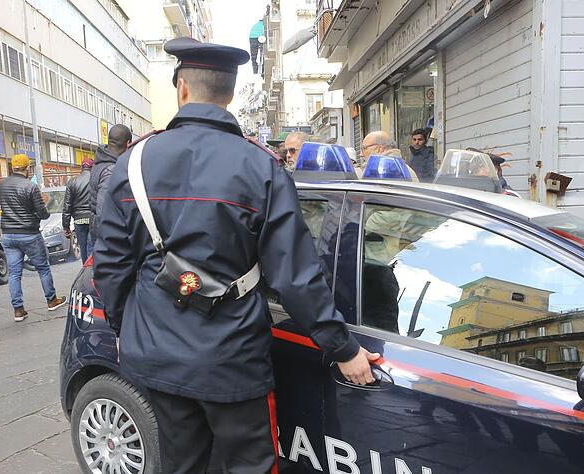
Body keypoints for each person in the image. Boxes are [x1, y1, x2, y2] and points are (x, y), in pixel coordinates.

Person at [93, 37, 378, 474]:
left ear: (181, 88)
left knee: (180, 465)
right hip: (232, 359)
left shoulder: (131, 165)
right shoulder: (261, 167)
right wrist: (342, 347)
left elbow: (111, 270)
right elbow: (295, 277)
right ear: (228, 94)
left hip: (156, 354)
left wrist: (126, 329)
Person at [0, 154, 67, 322]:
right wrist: (45, 209)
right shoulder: (31, 186)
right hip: (29, 234)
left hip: (8, 234)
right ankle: (51, 300)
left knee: (14, 273)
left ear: (13, 167)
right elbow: (42, 214)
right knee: (43, 268)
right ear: (27, 168)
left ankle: (19, 310)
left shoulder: (1, 185)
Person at [90, 124, 132, 243]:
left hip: (97, 231)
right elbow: (103, 210)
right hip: (108, 237)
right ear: (128, 143)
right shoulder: (111, 169)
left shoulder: (100, 162)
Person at [63, 158, 93, 264]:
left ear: (81, 168)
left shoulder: (73, 181)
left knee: (83, 249)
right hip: (93, 218)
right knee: (92, 247)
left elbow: (67, 205)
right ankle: (92, 273)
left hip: (79, 221)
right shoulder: (96, 179)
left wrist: (66, 227)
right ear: (92, 167)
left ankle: (85, 271)